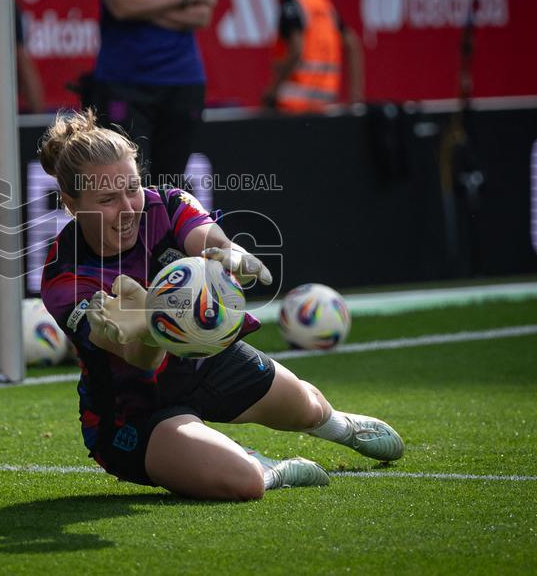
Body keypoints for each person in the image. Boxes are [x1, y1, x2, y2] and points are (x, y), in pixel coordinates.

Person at [39, 110, 404, 501]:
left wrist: (234, 257)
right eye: (108, 199)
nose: (128, 207)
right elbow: (140, 360)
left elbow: (210, 242)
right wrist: (151, 327)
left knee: (308, 408)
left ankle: (339, 425)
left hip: (204, 360)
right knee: (241, 482)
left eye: (132, 188)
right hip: (134, 410)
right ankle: (269, 468)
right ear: (71, 204)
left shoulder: (167, 204)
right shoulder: (65, 277)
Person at [86, 0, 217, 188]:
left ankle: (162, 233)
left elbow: (202, 15)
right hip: (123, 80)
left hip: (181, 80)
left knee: (169, 186)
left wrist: (138, 2)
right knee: (125, 184)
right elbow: (120, 7)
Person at [262, 0, 364, 114]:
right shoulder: (320, 0)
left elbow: (296, 49)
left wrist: (273, 90)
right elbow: (352, 43)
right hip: (323, 106)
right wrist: (356, 98)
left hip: (292, 108)